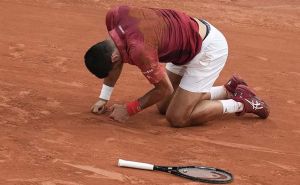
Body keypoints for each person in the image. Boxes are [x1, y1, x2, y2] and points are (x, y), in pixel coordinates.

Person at [84, 5, 269, 127]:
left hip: (207, 49)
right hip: (183, 42)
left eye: (114, 67)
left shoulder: (139, 50)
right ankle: (228, 89)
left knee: (177, 117)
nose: (116, 69)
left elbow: (164, 89)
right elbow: (115, 62)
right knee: (163, 107)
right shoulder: (114, 16)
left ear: (115, 57)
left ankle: (240, 103)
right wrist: (103, 98)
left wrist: (130, 109)